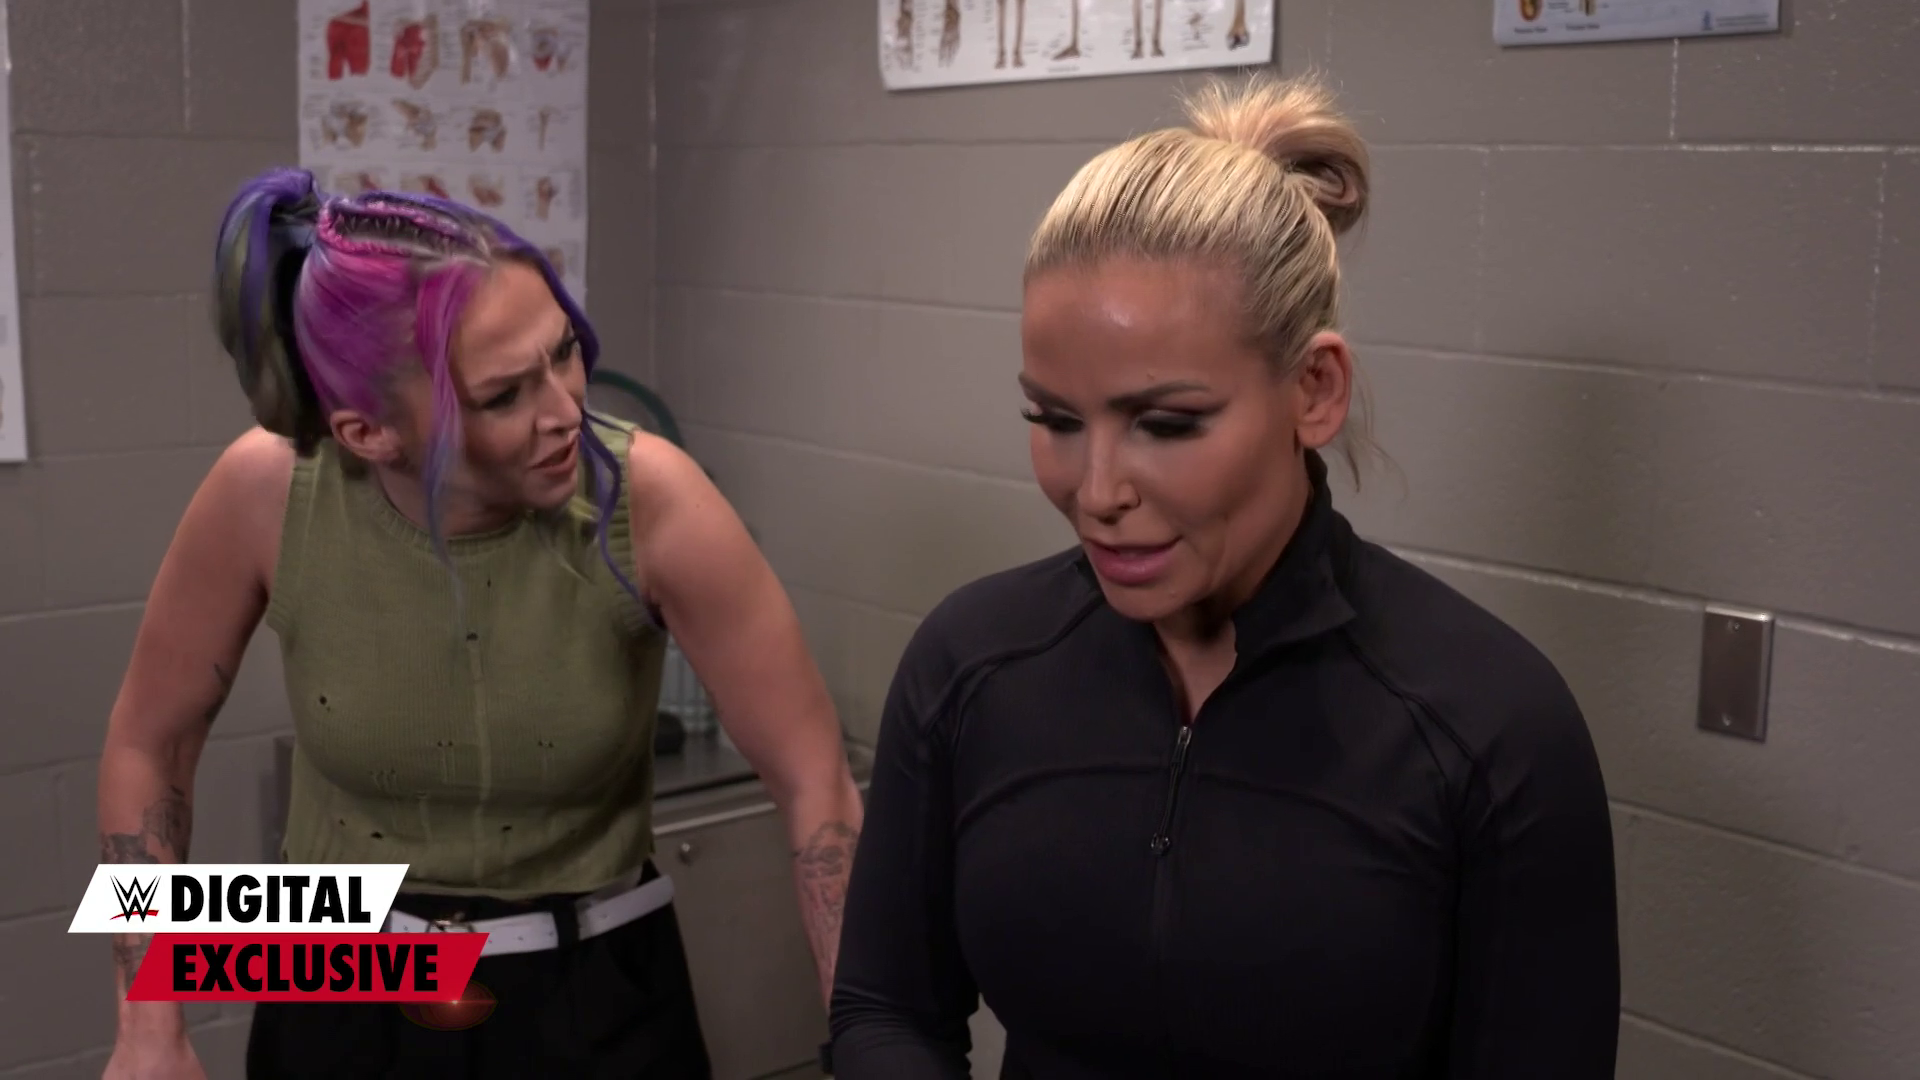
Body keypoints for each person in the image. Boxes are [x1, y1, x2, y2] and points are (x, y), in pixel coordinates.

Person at [827, 74, 1619, 1078]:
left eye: (1166, 424)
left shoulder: (1491, 726)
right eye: (1055, 420)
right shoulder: (970, 664)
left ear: (1314, 390)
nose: (1097, 491)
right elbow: (886, 1006)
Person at [96, 168, 865, 1079]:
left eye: (562, 352)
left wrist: (870, 1039)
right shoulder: (266, 489)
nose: (566, 411)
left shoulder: (651, 496)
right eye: (503, 397)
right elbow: (149, 742)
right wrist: (149, 1027)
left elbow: (816, 782)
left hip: (590, 971)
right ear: (367, 434)